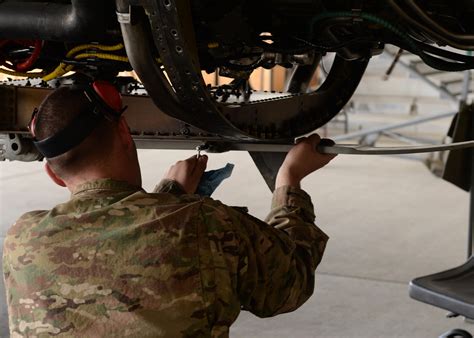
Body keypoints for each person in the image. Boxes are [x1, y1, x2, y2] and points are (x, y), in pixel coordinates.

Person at [2, 85, 336, 337]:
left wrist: (169, 197)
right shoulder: (201, 224)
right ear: (123, 131)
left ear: (53, 174)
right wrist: (288, 182)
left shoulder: (21, 241)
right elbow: (290, 282)